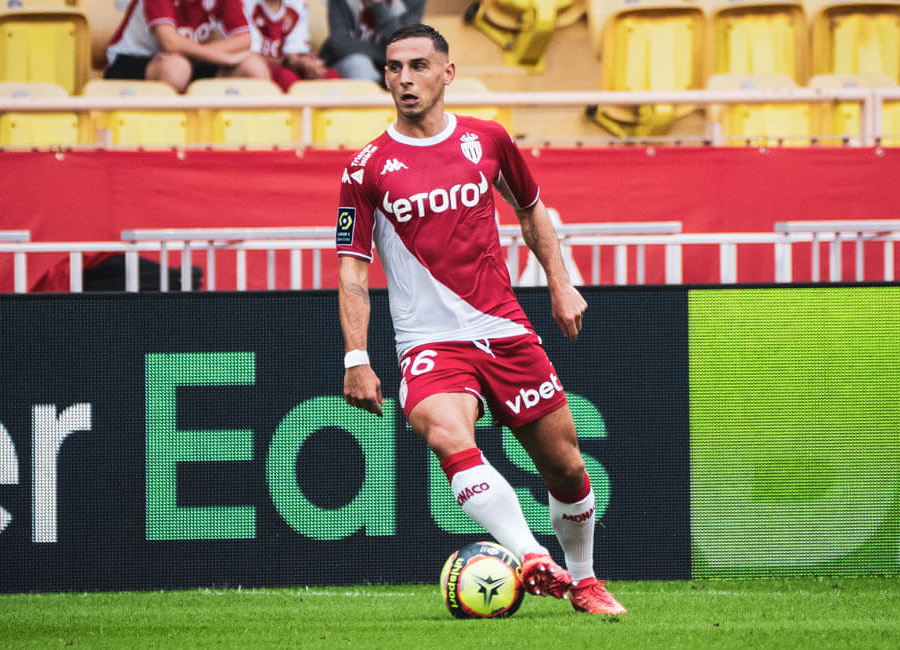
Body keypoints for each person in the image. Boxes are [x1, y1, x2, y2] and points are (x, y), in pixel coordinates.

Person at [335, 23, 627, 615]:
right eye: (393, 67)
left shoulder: (487, 139)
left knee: (567, 468)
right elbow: (353, 271)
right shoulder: (366, 169)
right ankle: (532, 556)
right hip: (429, 342)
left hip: (503, 329)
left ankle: (585, 580)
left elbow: (532, 210)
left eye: (418, 66)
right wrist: (356, 357)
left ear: (448, 73)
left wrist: (560, 282)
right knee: (447, 434)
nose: (404, 79)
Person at [105, 0, 271, 93]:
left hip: (190, 60)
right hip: (133, 59)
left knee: (254, 67)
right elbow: (169, 42)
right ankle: (162, 139)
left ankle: (248, 141)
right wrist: (223, 58)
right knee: (176, 69)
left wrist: (212, 56)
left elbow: (243, 39)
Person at [319, 0, 424, 86]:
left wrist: (379, 5)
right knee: (360, 65)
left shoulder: (413, 2)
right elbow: (340, 43)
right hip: (350, 62)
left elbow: (403, 44)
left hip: (394, 66)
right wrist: (391, 54)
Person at [244, 0, 340, 91]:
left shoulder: (297, 3)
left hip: (287, 64)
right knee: (286, 78)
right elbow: (251, 57)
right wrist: (295, 63)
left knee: (331, 76)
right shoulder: (246, 4)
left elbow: (294, 52)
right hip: (261, 68)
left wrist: (310, 64)